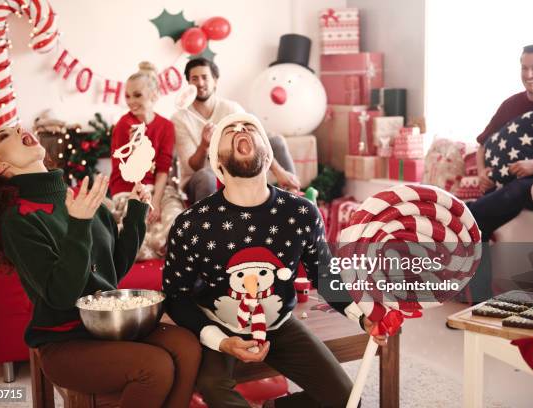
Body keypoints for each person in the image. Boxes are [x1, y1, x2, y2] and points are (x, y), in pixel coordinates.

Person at [0, 126, 201, 408]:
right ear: (0, 166)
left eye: (16, 127)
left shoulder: (81, 197)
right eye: (3, 136)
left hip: (110, 328)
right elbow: (61, 295)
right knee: (155, 368)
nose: (17, 129)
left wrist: (136, 214)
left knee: (187, 346)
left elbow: (113, 270)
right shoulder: (18, 220)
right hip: (64, 342)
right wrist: (79, 224)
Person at [163, 112, 385, 408]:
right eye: (230, 130)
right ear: (217, 161)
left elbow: (325, 275)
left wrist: (361, 315)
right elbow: (176, 297)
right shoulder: (192, 224)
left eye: (250, 127)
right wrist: (220, 341)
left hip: (279, 323)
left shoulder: (301, 213)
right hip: (218, 324)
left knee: (350, 402)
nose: (241, 129)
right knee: (213, 388)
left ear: (268, 155)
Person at [468, 43, 533, 299]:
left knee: (477, 212)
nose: (528, 74)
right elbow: (482, 144)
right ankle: (478, 300)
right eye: (524, 67)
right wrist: (482, 173)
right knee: (475, 226)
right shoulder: (511, 104)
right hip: (507, 185)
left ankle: (465, 214)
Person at [171, 58, 300, 204]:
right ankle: (208, 224)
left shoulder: (231, 109)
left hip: (235, 167)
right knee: (207, 176)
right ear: (188, 83)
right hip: (200, 176)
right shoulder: (180, 119)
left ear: (215, 81)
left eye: (205, 77)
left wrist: (279, 171)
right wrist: (204, 145)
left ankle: (294, 199)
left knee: (276, 142)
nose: (200, 83)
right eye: (194, 78)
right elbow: (193, 167)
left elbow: (258, 141)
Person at [109, 61, 184, 260]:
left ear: (153, 95)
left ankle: (157, 243)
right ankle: (149, 246)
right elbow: (125, 171)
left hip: (156, 189)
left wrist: (156, 202)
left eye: (137, 95)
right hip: (129, 189)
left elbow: (163, 168)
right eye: (127, 96)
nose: (131, 101)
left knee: (177, 221)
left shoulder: (166, 126)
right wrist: (136, 154)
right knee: (136, 233)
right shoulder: (123, 126)